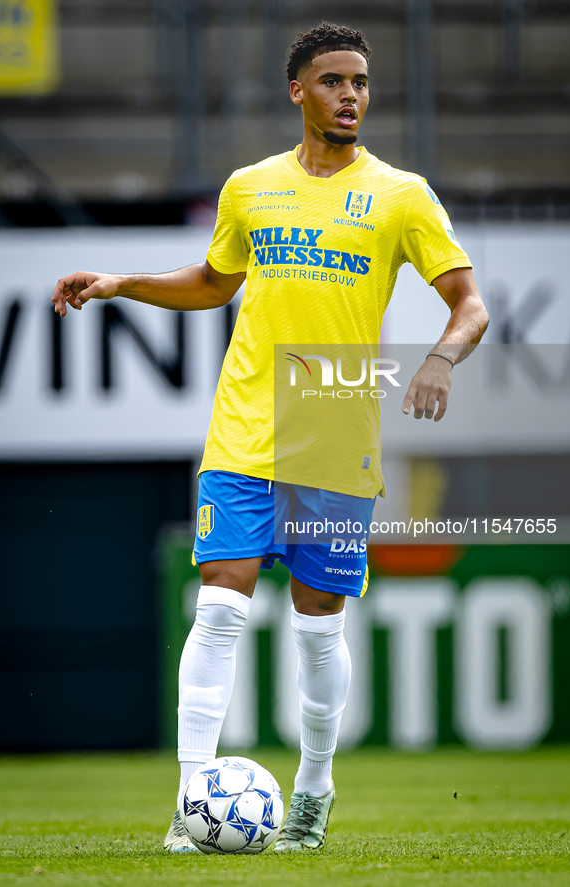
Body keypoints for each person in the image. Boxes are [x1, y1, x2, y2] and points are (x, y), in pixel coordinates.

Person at [50, 22, 488, 853]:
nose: (349, 95)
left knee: (318, 622)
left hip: (335, 435)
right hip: (245, 427)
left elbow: (470, 305)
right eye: (332, 81)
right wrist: (122, 283)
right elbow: (215, 281)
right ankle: (189, 802)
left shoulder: (402, 196)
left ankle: (313, 793)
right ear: (298, 90)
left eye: (359, 82)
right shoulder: (250, 187)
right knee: (219, 600)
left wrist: (439, 359)